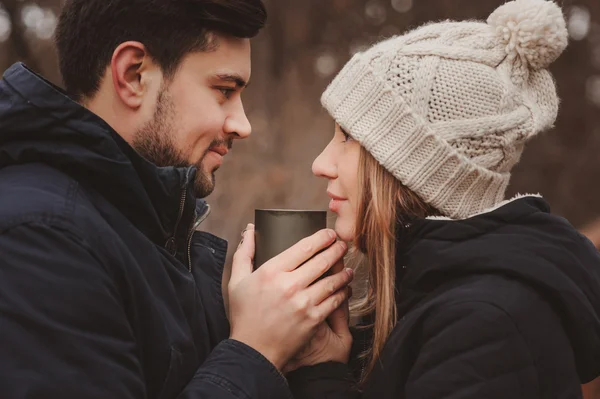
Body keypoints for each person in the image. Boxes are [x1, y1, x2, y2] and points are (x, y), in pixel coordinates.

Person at [0, 0, 353, 398]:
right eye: (224, 90)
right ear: (133, 75)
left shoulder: (146, 232)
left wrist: (314, 370)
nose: (243, 125)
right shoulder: (40, 238)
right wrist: (256, 351)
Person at [284, 0, 600, 397]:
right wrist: (324, 367)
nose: (320, 163)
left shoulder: (482, 326)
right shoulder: (424, 297)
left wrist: (320, 379)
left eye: (347, 137)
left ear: (412, 164)